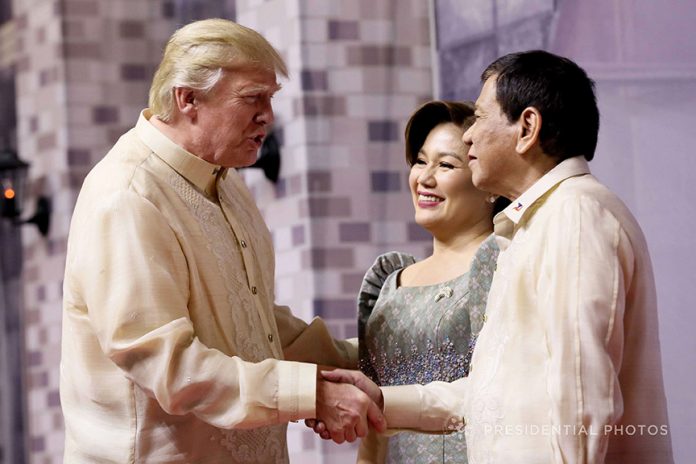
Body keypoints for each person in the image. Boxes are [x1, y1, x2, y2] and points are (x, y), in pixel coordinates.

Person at [321, 50, 674, 463]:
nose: (469, 136)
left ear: (527, 127)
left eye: (481, 117)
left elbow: (581, 399)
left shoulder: (574, 214)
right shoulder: (535, 225)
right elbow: (494, 392)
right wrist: (382, 399)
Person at [59, 18, 383, 463]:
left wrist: (358, 362)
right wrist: (311, 394)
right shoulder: (127, 196)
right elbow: (169, 365)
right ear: (188, 99)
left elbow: (249, 324)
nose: (268, 115)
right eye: (253, 98)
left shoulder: (225, 182)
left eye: (271, 99)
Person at [355, 100, 508, 463]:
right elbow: (371, 413)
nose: (424, 178)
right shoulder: (388, 281)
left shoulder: (502, 264)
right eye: (421, 161)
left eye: (446, 165)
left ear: (488, 185)